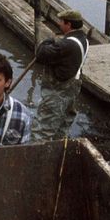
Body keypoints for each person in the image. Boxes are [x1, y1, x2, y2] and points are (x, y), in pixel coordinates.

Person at [31, 9, 90, 141]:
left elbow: (41, 54)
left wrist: (48, 41)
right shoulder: (83, 40)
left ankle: (37, 157)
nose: (59, 24)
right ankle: (59, 152)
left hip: (57, 91)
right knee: (63, 124)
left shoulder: (67, 44)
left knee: (43, 129)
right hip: (72, 89)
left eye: (61, 22)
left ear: (68, 24)